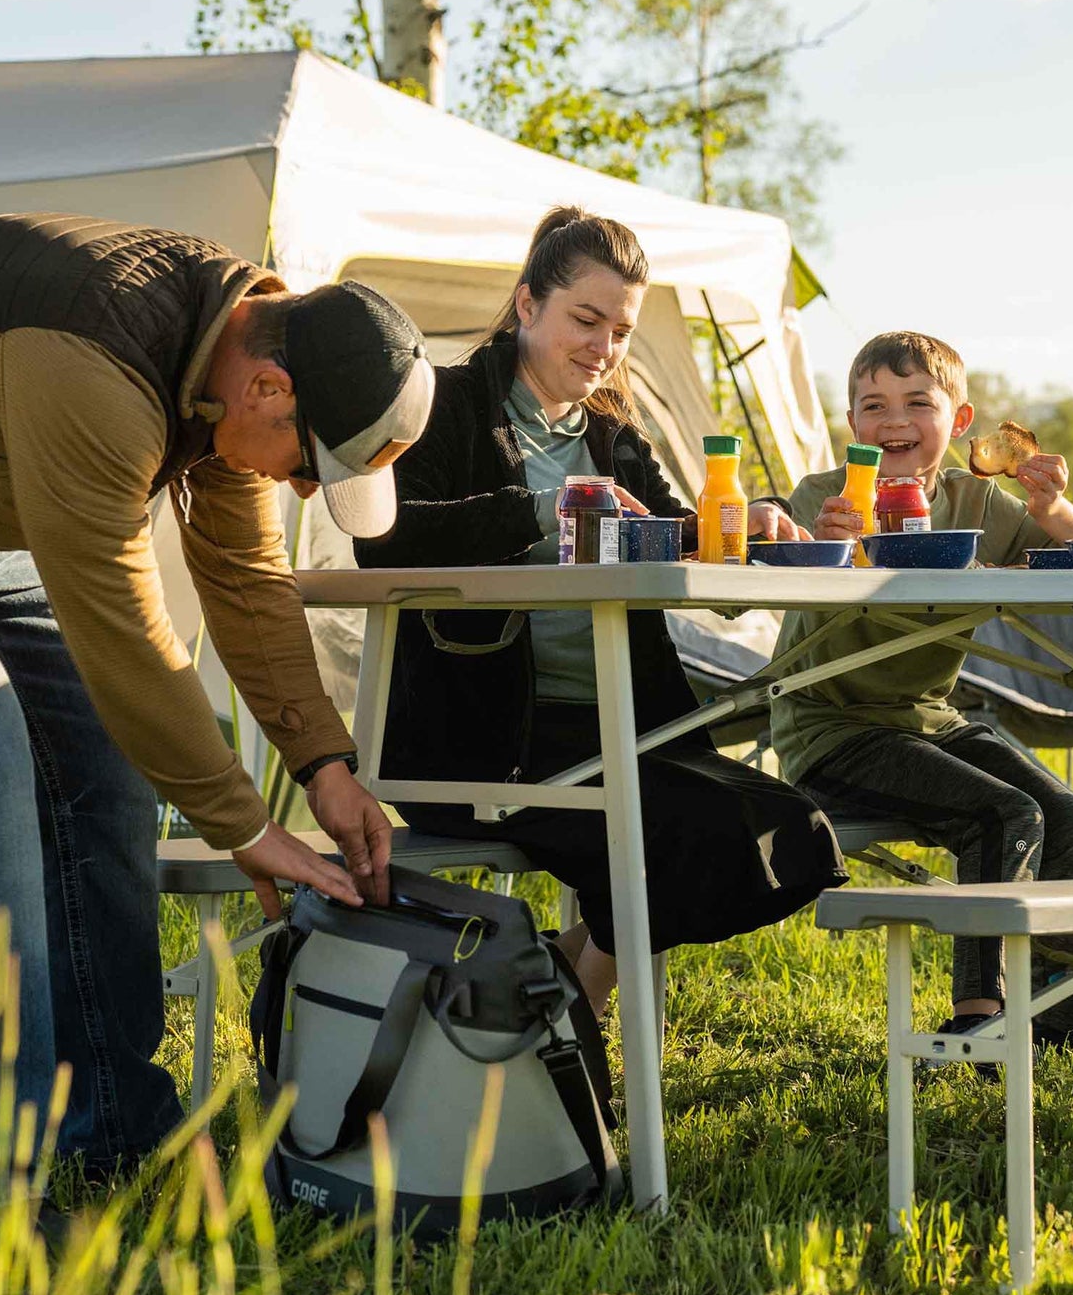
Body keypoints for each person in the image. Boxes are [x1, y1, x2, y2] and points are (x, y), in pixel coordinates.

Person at [0, 212, 435, 1196]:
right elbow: (121, 623)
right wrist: (244, 824)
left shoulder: (238, 356)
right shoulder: (95, 364)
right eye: (307, 464)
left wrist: (325, 765)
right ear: (268, 391)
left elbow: (243, 576)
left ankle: (112, 1135)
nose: (301, 488)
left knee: (102, 776)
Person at [354, 206, 847, 1015]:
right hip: (484, 737)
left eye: (620, 330)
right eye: (586, 320)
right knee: (677, 837)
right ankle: (559, 1025)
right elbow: (384, 540)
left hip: (624, 726)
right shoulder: (442, 406)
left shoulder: (613, 432)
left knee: (792, 830)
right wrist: (543, 508)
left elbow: (670, 534)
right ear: (525, 306)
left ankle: (547, 1003)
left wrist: (741, 524)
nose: (604, 348)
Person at [770, 330, 1073, 1057]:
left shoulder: (978, 502)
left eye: (916, 402)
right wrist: (823, 540)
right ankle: (976, 1015)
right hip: (830, 727)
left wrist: (1054, 507)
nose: (893, 419)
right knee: (1004, 815)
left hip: (931, 722)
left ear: (958, 422)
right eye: (873, 404)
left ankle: (1061, 1020)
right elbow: (770, 537)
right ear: (852, 423)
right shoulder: (830, 495)